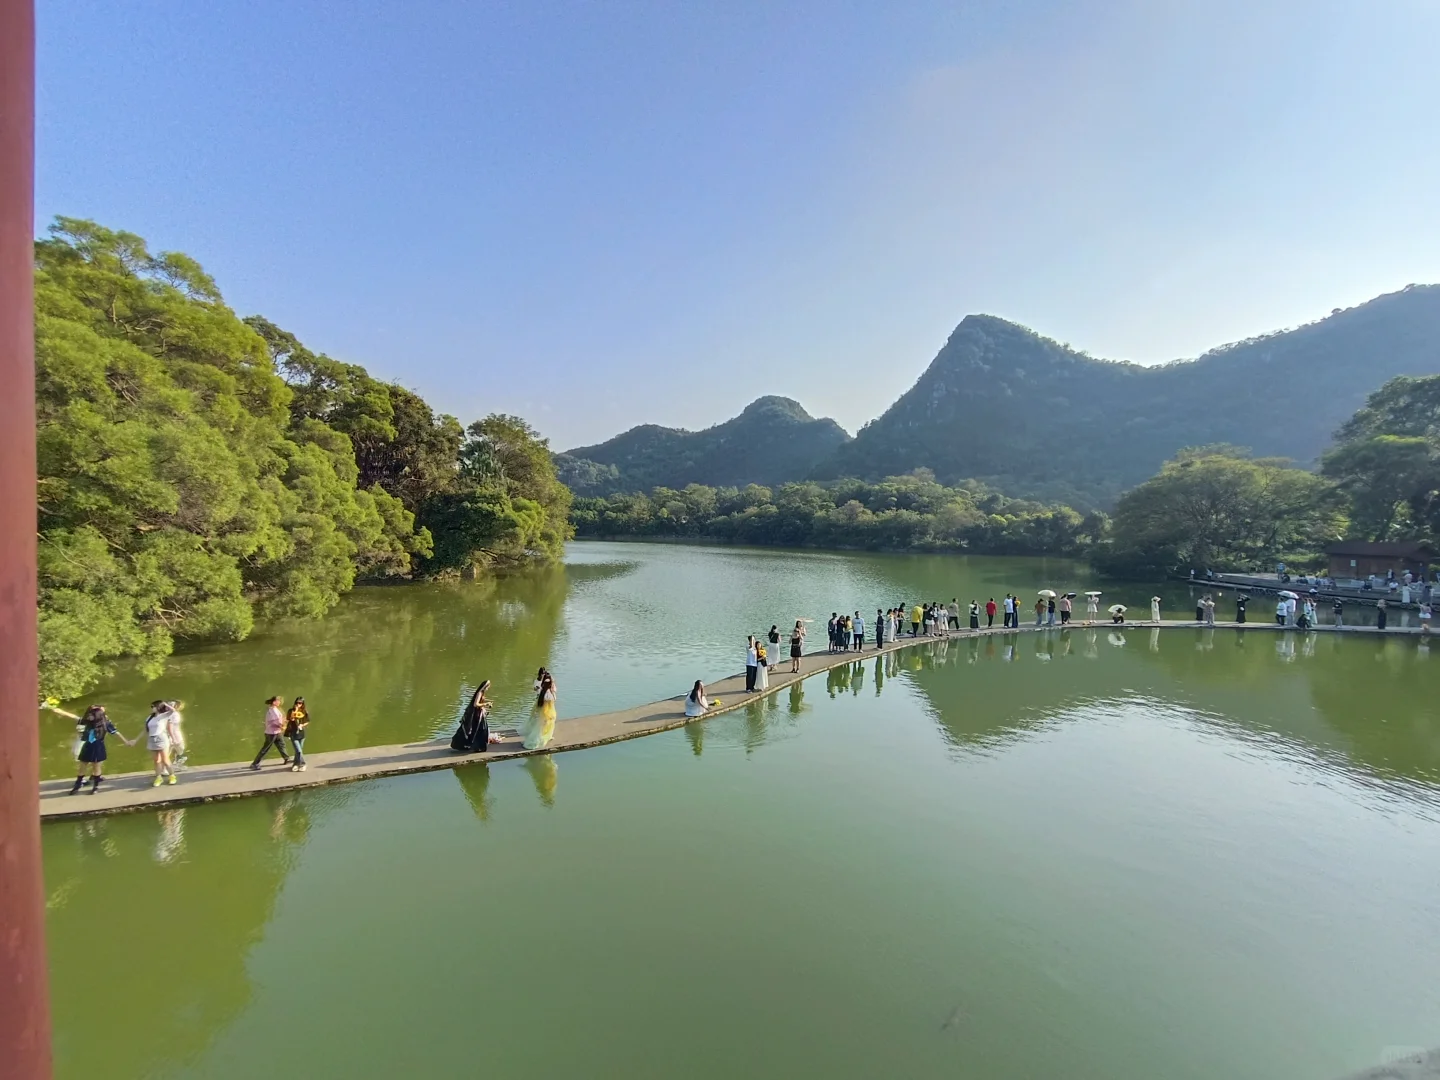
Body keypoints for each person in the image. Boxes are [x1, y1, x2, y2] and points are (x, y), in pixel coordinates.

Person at [67, 704, 134, 795]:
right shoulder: (87, 722)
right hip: (87, 745)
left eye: (92, 714)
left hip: (98, 746)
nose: (89, 716)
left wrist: (126, 741)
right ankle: (77, 785)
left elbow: (116, 733)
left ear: (97, 716)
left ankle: (95, 787)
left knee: (96, 766)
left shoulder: (105, 723)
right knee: (82, 765)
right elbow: (75, 718)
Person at [450, 681, 496, 752]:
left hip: (479, 714)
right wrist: (486, 704)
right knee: (480, 730)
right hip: (477, 715)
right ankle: (478, 747)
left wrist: (486, 704)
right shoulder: (479, 693)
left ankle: (477, 746)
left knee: (479, 730)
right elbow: (475, 704)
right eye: (487, 687)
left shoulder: (481, 693)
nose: (488, 689)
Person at [251, 696, 292, 769]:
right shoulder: (272, 710)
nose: (279, 702)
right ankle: (255, 764)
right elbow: (275, 721)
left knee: (281, 745)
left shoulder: (275, 709)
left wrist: (284, 721)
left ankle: (286, 758)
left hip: (277, 732)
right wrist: (282, 725)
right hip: (271, 733)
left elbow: (279, 719)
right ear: (274, 702)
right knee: (266, 748)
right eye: (278, 701)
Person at [142, 702, 176, 787]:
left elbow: (173, 710)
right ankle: (158, 777)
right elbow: (145, 730)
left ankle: (172, 776)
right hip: (152, 739)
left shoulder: (164, 715)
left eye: (153, 706)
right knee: (157, 760)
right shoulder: (149, 717)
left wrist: (164, 703)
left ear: (158, 707)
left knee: (165, 759)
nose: (152, 708)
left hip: (161, 738)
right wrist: (135, 740)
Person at [523, 672, 558, 750]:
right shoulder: (548, 694)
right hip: (548, 712)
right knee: (545, 725)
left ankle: (546, 736)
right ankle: (541, 738)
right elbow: (553, 700)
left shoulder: (543, 692)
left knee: (545, 725)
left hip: (547, 711)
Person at [284, 696, 310, 770]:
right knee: (298, 750)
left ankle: (295, 764)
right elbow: (290, 719)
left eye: (300, 703)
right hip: (293, 733)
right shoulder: (291, 711)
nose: (298, 704)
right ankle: (302, 764)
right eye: (297, 703)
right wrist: (295, 710)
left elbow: (307, 721)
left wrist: (302, 725)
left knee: (298, 751)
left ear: (303, 704)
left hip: (301, 734)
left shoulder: (304, 711)